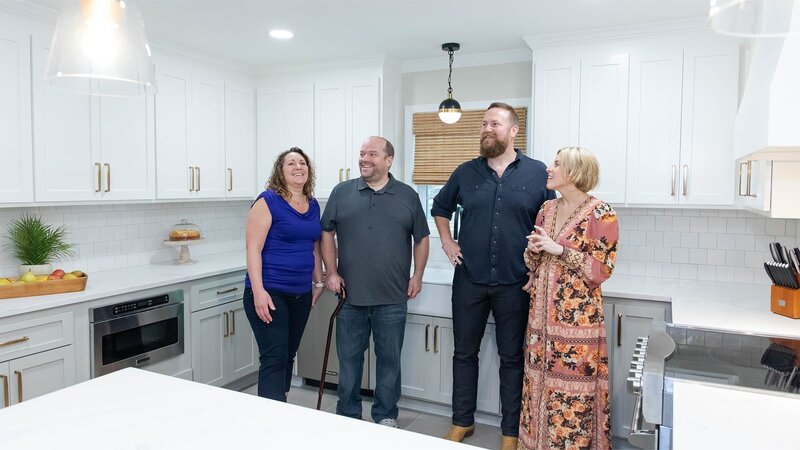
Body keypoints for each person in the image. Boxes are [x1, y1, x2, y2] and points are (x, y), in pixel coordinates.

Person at [432, 102, 555, 450]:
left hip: (516, 283)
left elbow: (550, 224)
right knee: (463, 353)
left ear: (514, 130)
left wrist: (538, 269)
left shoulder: (537, 173)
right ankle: (462, 422)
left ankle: (511, 432)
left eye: (495, 124)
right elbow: (439, 208)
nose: (487, 129)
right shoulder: (465, 172)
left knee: (512, 357)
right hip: (469, 278)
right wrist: (446, 240)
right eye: (484, 123)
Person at [321, 136, 430, 428]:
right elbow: (326, 233)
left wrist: (417, 275)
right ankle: (347, 415)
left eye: (372, 154)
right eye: (361, 153)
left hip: (393, 298)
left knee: (389, 363)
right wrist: (331, 272)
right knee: (348, 362)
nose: (364, 159)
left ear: (388, 160)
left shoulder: (407, 196)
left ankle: (385, 415)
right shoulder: (341, 192)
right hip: (349, 298)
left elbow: (421, 238)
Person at [518, 147, 619, 450]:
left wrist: (558, 249)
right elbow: (532, 262)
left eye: (557, 164)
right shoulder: (546, 209)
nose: (549, 169)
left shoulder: (602, 213)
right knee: (537, 389)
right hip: (540, 323)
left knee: (574, 396)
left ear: (574, 173)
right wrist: (534, 250)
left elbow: (601, 270)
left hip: (577, 328)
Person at [243, 147, 324, 402]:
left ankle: (281, 407)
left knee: (288, 354)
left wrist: (318, 279)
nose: (298, 167)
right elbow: (252, 249)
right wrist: (258, 291)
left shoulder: (312, 205)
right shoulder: (267, 201)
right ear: (281, 170)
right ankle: (269, 419)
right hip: (270, 291)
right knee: (275, 355)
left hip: (300, 293)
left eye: (302, 163)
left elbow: (313, 245)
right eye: (291, 163)